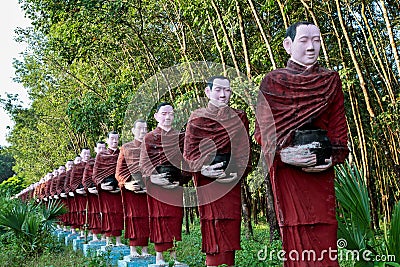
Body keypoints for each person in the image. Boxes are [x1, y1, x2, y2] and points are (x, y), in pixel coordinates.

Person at [255, 21, 349, 266]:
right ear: (288, 45)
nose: (311, 47)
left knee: (325, 228)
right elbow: (262, 131)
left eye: (316, 40)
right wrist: (282, 155)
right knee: (296, 232)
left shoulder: (330, 80)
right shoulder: (272, 82)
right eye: (304, 41)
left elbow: (339, 126)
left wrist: (334, 155)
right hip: (289, 172)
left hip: (321, 169)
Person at [184, 76, 252, 267]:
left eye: (227, 90)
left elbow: (244, 152)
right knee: (212, 224)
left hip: (230, 178)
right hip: (207, 181)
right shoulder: (197, 118)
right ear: (208, 92)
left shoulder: (239, 117)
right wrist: (203, 169)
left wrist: (236, 171)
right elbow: (188, 156)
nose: (223, 94)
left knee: (230, 223)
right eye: (218, 90)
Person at [140, 103, 190, 265]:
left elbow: (189, 160)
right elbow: (144, 163)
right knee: (159, 219)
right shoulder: (149, 138)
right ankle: (159, 257)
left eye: (171, 113)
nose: (168, 117)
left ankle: (174, 257)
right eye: (164, 113)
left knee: (174, 219)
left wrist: (181, 179)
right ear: (156, 116)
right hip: (157, 185)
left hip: (175, 183)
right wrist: (153, 178)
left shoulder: (181, 137)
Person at [116, 119, 150, 258]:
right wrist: (126, 184)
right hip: (132, 190)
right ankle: (133, 249)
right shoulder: (126, 148)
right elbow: (119, 172)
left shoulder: (151, 147)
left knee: (147, 219)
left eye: (145, 128)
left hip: (148, 190)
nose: (143, 131)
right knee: (133, 218)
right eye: (140, 128)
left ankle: (145, 249)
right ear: (133, 131)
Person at [93, 131, 124, 246]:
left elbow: (125, 171)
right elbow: (95, 175)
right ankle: (108, 241)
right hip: (106, 190)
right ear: (107, 140)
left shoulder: (122, 153)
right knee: (107, 214)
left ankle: (118, 241)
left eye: (116, 139)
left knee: (119, 213)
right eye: (112, 139)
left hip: (118, 189)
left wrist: (122, 185)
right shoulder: (101, 156)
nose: (115, 141)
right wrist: (101, 185)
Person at [83, 141, 107, 242]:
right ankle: (95, 236)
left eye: (103, 148)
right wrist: (89, 188)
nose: (102, 150)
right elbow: (86, 179)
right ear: (95, 149)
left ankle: (104, 236)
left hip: (106, 192)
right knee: (94, 214)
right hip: (94, 193)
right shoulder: (91, 163)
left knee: (105, 214)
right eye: (99, 148)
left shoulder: (108, 160)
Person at [70, 148, 91, 237]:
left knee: (92, 212)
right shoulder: (76, 167)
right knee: (82, 212)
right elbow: (72, 182)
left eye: (88, 153)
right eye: (84, 153)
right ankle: (82, 232)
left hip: (91, 192)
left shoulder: (93, 165)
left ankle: (91, 232)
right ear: (81, 154)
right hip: (80, 193)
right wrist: (77, 190)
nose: (86, 155)